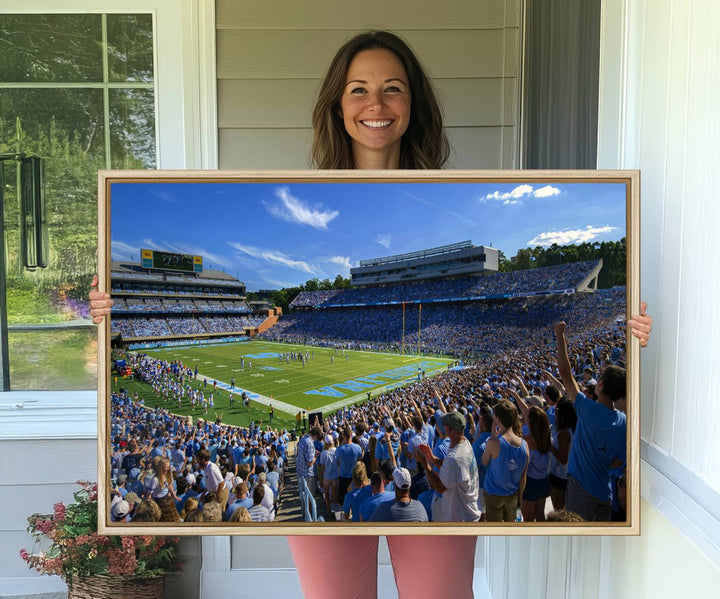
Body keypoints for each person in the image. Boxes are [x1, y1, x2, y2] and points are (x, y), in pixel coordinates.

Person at [89, 29, 654, 599]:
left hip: (421, 496)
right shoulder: (291, 183)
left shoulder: (467, 187)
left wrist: (626, 331)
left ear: (414, 104)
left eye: (393, 89)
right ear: (337, 103)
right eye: (358, 89)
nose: (375, 104)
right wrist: (108, 311)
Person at [554, 320, 627, 522]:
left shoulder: (587, 409)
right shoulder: (623, 421)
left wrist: (560, 335)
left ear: (600, 384)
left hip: (580, 491)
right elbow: (618, 460)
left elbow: (565, 373)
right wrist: (600, 459)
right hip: (605, 493)